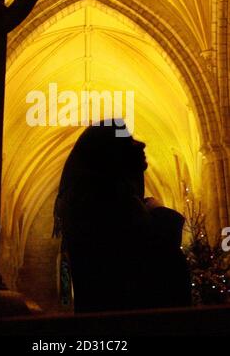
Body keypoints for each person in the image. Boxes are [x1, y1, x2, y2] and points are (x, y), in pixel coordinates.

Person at [53, 120, 192, 313]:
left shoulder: (97, 198)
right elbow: (154, 250)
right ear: (110, 153)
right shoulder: (105, 202)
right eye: (129, 141)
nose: (141, 144)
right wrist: (157, 210)